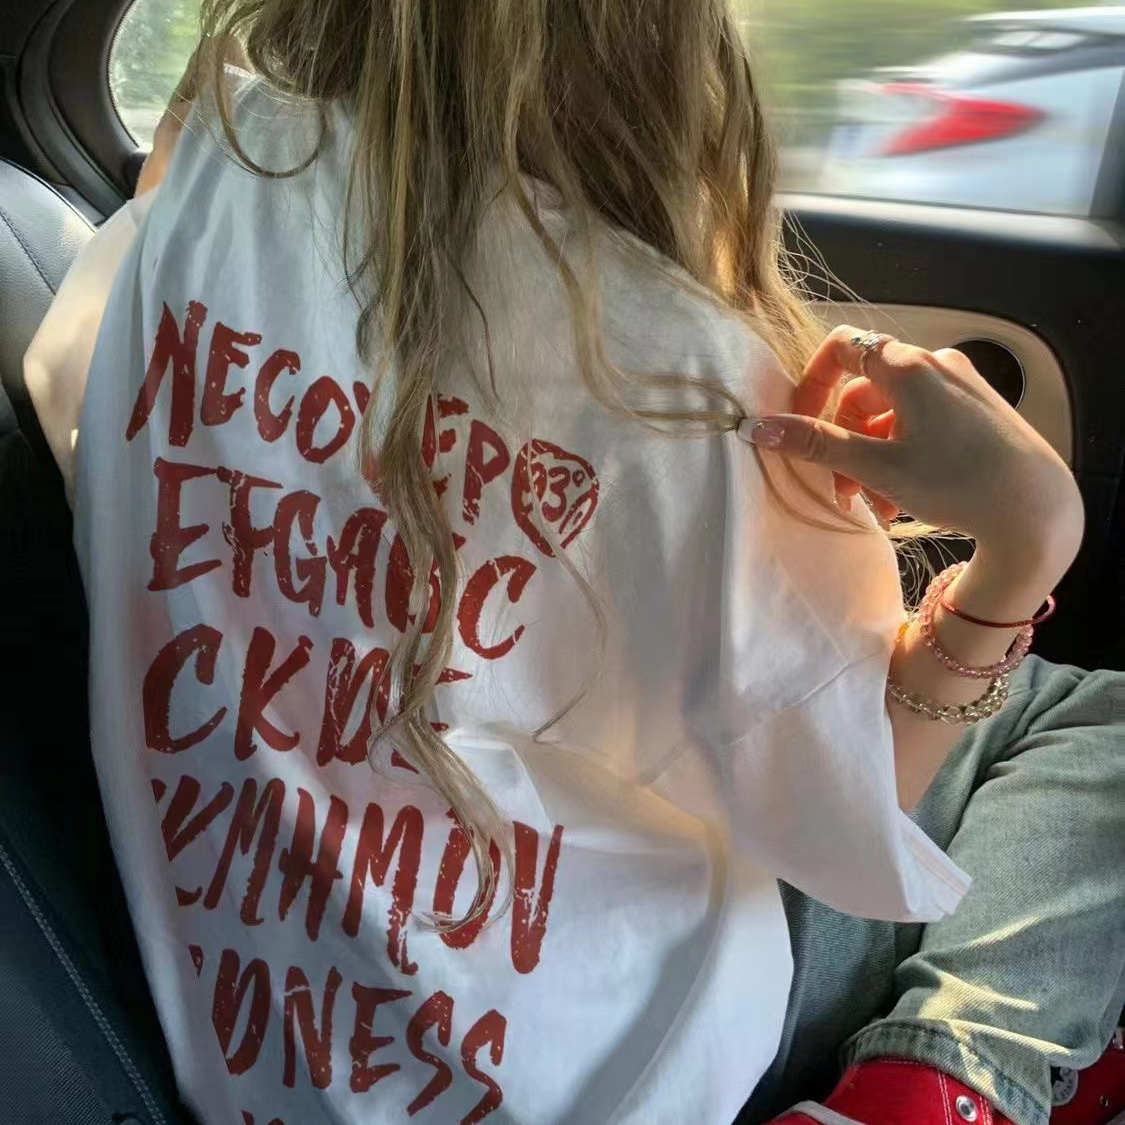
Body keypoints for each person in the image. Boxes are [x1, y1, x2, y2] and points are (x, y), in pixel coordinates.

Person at [21, 5, 1123, 1125]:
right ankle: (937, 1078)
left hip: (267, 1041)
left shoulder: (195, 199)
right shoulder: (676, 384)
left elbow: (66, 391)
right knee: (1089, 719)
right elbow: (852, 816)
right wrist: (1024, 540)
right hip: (601, 1076)